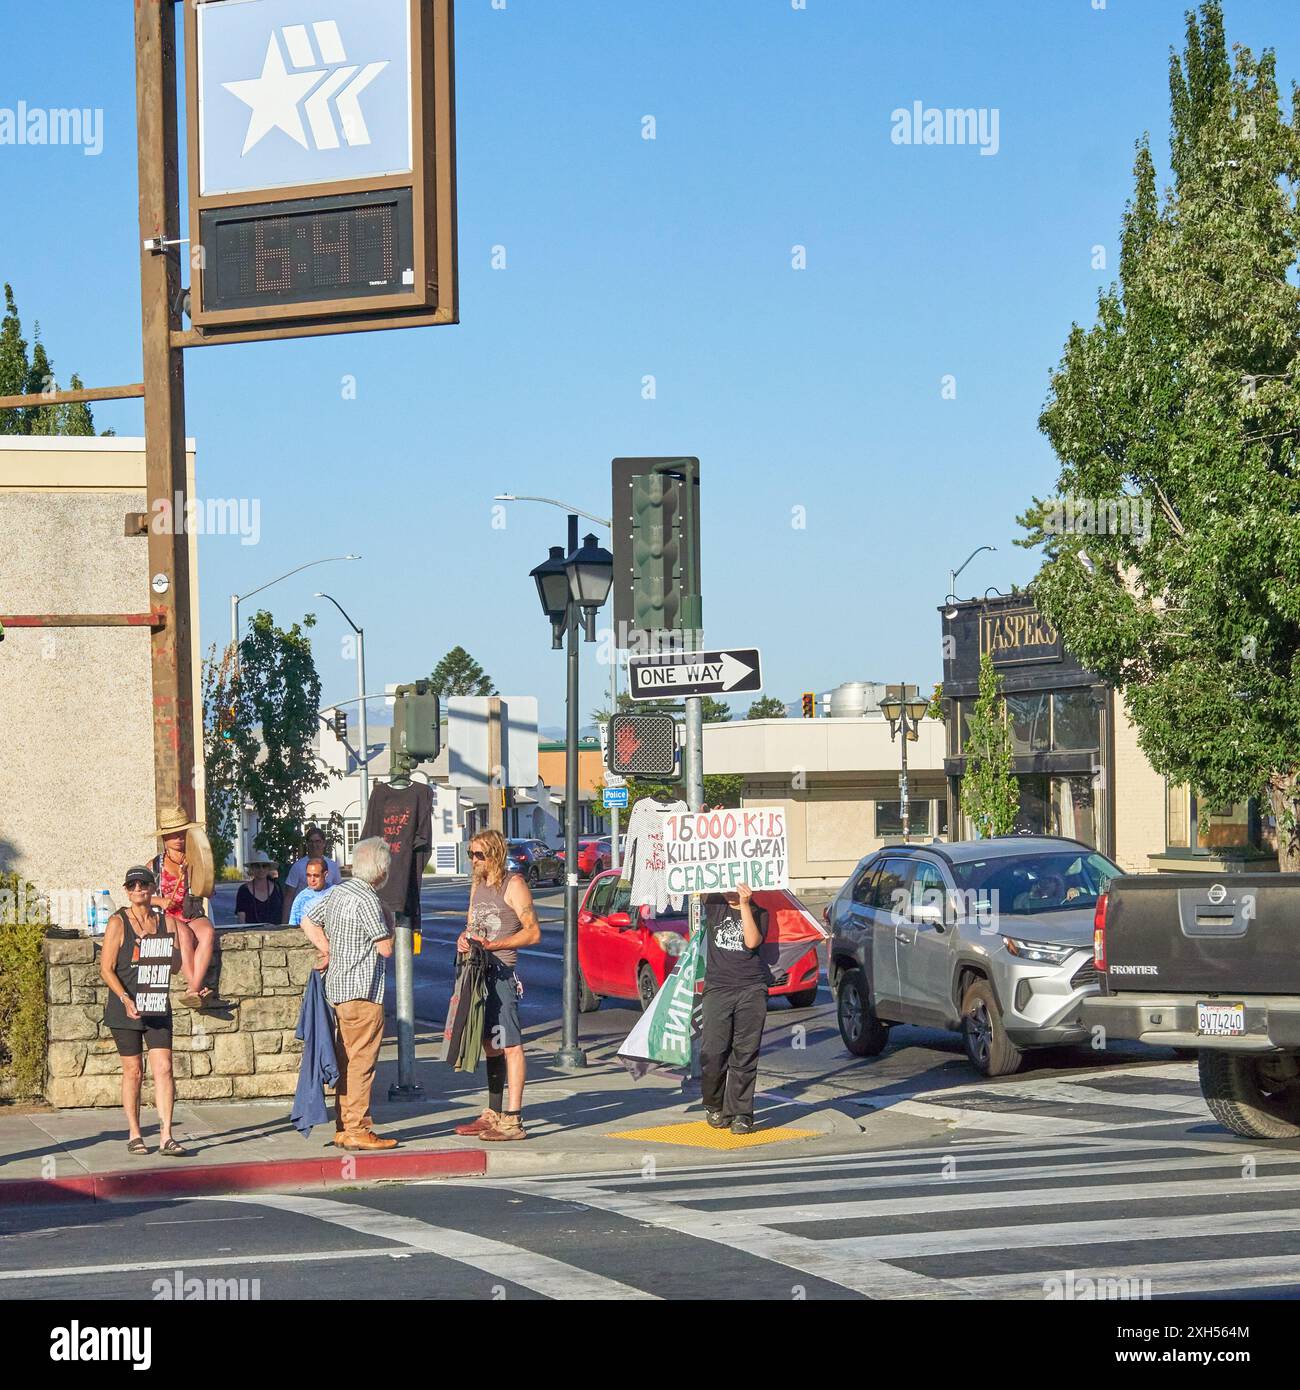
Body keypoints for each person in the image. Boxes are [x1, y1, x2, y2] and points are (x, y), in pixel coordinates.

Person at [298, 836, 397, 1151]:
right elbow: (385, 948)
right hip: (363, 991)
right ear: (381, 871)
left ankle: (344, 1125)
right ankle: (357, 1128)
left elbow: (307, 919)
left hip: (338, 989)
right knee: (361, 1062)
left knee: (345, 1058)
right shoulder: (369, 899)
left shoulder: (339, 892)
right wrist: (390, 922)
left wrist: (326, 948)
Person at [453, 829, 542, 1142]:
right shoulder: (477, 884)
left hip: (502, 973)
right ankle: (493, 1110)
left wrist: (495, 945)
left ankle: (513, 1118)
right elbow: (470, 926)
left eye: (480, 855)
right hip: (477, 973)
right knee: (489, 1041)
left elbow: (532, 932)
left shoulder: (513, 885)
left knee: (510, 1044)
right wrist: (464, 940)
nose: (475, 861)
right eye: (471, 854)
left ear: (495, 854)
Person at [100, 865, 189, 1157]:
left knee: (164, 1068)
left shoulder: (166, 923)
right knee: (134, 1071)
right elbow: (106, 969)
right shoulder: (118, 922)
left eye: (143, 884)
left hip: (156, 1002)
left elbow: (175, 968)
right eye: (132, 885)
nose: (138, 889)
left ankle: (166, 1135)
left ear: (152, 888)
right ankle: (135, 1133)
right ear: (126, 890)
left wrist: (172, 948)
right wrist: (125, 998)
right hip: (126, 1005)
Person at [699, 882, 770, 1136]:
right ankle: (714, 1103)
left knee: (745, 1053)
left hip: (751, 989)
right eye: (727, 887)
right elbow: (699, 877)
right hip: (718, 989)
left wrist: (744, 904)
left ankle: (741, 1113)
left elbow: (752, 942)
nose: (731, 892)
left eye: (736, 887)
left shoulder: (759, 912)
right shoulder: (714, 904)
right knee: (713, 1052)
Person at [153, 806, 228, 1011]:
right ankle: (197, 989)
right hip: (169, 916)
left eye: (182, 833)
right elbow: (140, 896)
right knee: (184, 936)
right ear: (165, 838)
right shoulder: (154, 866)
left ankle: (192, 990)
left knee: (207, 932)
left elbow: (206, 888)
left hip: (191, 911)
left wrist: (203, 882)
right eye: (173, 834)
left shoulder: (195, 859)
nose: (178, 838)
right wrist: (159, 901)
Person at [286, 826, 342, 890]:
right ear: (307, 844)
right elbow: (289, 895)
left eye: (317, 841)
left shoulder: (333, 866)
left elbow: (338, 890)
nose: (314, 845)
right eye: (311, 841)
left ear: (324, 843)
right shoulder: (297, 866)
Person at [235, 853, 284, 925]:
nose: (261, 869)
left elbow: (283, 912)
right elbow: (241, 918)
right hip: (251, 934)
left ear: (269, 868)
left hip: (276, 933)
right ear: (252, 868)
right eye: (257, 866)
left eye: (264, 866)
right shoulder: (244, 890)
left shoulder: (277, 888)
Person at [288, 857, 333, 927]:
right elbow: (292, 927)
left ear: (325, 874)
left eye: (316, 876)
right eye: (308, 875)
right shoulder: (301, 898)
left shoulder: (336, 893)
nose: (312, 880)